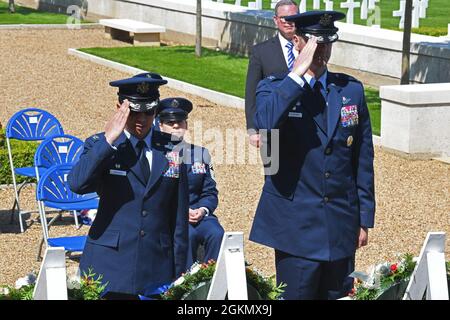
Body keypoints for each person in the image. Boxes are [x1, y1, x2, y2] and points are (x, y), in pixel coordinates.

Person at [249, 11, 375, 300]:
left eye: (328, 43)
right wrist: (297, 75)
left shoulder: (349, 90)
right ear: (297, 41)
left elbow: (362, 158)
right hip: (296, 228)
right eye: (315, 43)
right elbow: (265, 124)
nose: (322, 51)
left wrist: (363, 218)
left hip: (340, 224)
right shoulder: (275, 86)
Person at [68, 73, 189, 296]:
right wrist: (108, 141)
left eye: (149, 112)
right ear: (119, 108)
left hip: (157, 266)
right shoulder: (101, 145)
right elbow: (77, 183)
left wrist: (181, 272)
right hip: (110, 264)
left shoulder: (172, 149)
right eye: (134, 112)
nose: (141, 119)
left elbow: (178, 217)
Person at [155, 97, 224, 269]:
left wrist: (202, 209)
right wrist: (181, 212)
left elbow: (210, 192)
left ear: (186, 124)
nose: (176, 126)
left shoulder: (200, 154)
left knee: (217, 234)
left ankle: (210, 280)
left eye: (180, 121)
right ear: (160, 125)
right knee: (188, 236)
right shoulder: (156, 154)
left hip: (199, 213)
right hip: (170, 216)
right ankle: (182, 286)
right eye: (170, 122)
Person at [245, 0, 299, 148]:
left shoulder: (309, 48)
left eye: (293, 17)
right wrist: (253, 129)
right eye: (283, 18)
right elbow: (251, 92)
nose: (288, 22)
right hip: (272, 126)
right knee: (274, 170)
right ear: (276, 20)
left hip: (306, 127)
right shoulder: (261, 52)